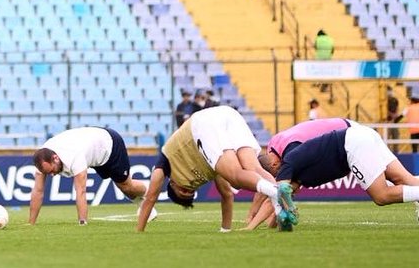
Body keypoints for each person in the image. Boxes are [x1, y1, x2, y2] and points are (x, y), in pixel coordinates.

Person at [135, 105, 294, 233]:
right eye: (190, 192)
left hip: (202, 124)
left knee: (235, 175)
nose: (188, 189)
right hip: (228, 114)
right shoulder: (211, 166)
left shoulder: (165, 164)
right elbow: (226, 195)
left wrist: (139, 231)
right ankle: (281, 207)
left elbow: (150, 199)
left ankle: (275, 191)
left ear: (173, 185)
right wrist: (225, 229)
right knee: (252, 169)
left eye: (183, 192)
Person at [248, 121, 419, 229]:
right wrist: (276, 221)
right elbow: (283, 196)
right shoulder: (282, 150)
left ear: (274, 165)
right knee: (405, 179)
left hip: (353, 143)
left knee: (381, 195)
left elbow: (279, 193)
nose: (276, 178)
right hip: (362, 132)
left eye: (274, 175)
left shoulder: (288, 161)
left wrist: (251, 227)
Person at [30, 126, 151, 225]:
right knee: (126, 189)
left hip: (109, 145)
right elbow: (38, 191)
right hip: (92, 152)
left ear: (55, 158)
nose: (52, 175)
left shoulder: (74, 157)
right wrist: (31, 224)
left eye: (52, 171)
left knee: (126, 187)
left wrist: (82, 222)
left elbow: (81, 191)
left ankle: (152, 190)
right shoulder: (42, 160)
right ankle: (147, 208)